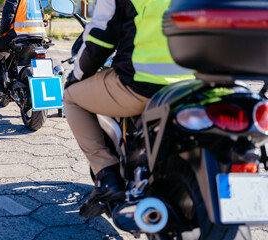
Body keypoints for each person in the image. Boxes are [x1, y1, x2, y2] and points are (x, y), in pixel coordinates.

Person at [62, 0, 193, 218]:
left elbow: (98, 39)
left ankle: (107, 174)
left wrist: (75, 77)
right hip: (199, 84)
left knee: (71, 97)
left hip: (143, 84)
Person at [0, 0, 46, 92]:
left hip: (19, 35)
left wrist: (2, 32)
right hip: (39, 38)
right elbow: (42, 15)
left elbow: (8, 16)